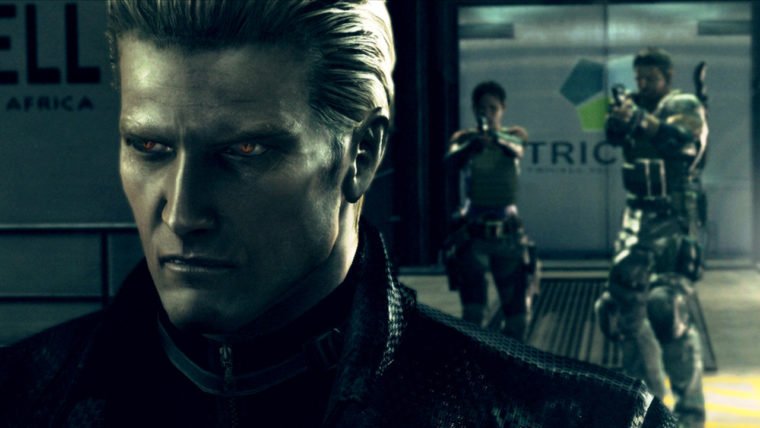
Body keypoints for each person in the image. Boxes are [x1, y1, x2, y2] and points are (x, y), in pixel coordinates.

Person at [0, 2, 675, 426]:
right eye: (148, 148)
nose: (183, 211)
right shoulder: (20, 396)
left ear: (362, 155)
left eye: (244, 151)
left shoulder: (588, 418)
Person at [595, 47, 708, 428]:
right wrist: (621, 117)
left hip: (674, 218)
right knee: (622, 311)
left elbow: (685, 142)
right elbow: (612, 134)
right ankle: (648, 412)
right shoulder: (632, 105)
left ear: (667, 77)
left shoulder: (683, 104)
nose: (643, 85)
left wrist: (642, 121)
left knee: (666, 309)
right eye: (639, 78)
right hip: (637, 218)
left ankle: (689, 416)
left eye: (651, 79)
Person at [443, 81, 538, 340]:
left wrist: (495, 138)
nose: (487, 113)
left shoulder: (514, 134)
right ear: (474, 110)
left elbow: (517, 149)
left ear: (503, 109)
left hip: (507, 236)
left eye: (493, 108)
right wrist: (471, 146)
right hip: (474, 235)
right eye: (482, 108)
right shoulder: (464, 139)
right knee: (473, 316)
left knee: (517, 319)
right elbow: (450, 162)